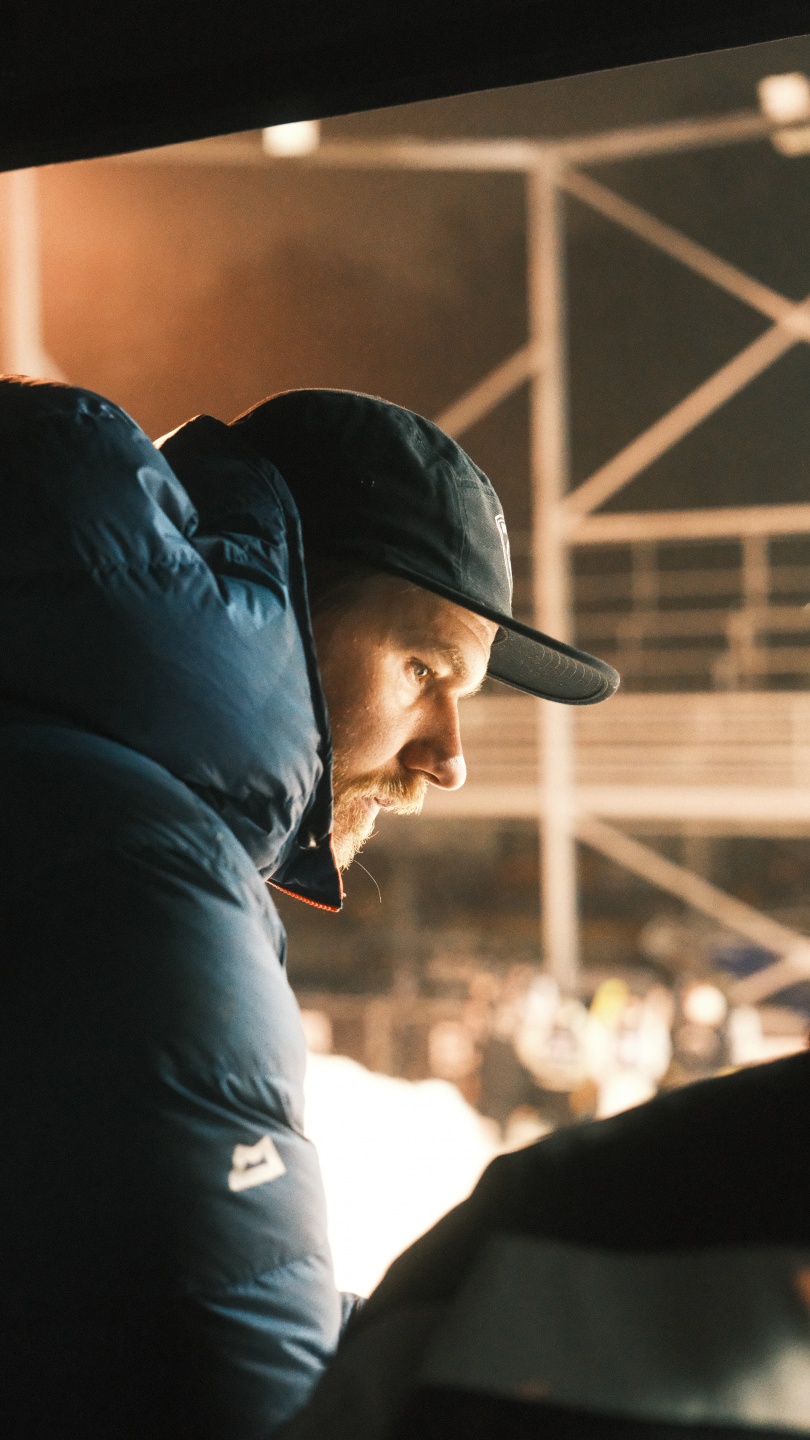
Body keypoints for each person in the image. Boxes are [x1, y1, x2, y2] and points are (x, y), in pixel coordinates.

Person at [0, 377, 616, 1439]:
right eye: (423, 667)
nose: (450, 758)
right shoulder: (147, 872)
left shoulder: (65, 787)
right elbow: (236, 1400)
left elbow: (127, 1305)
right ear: (282, 597)